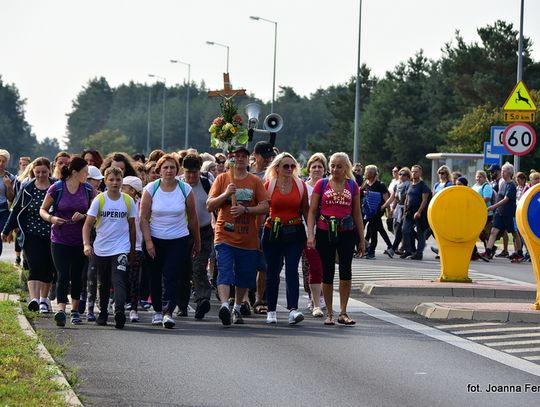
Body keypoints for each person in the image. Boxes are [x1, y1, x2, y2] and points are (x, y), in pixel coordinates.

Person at [207, 146, 269, 326]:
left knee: (244, 275)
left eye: (243, 156)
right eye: (236, 156)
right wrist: (226, 194)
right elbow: (209, 205)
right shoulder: (222, 179)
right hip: (224, 235)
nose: (240, 159)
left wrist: (246, 209)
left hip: (248, 238)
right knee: (225, 271)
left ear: (248, 159)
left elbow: (265, 206)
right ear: (230, 159)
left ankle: (237, 306)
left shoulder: (255, 181)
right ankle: (225, 305)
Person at [140, 154, 200, 329]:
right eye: (165, 167)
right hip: (155, 238)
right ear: (159, 170)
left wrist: (197, 241)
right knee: (155, 275)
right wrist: (148, 241)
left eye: (172, 167)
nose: (169, 171)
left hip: (178, 239)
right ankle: (157, 311)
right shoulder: (151, 189)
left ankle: (168, 312)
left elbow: (193, 218)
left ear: (177, 170)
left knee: (172, 275)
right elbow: (143, 218)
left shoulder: (185, 189)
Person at [307, 152, 365, 326]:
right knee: (328, 272)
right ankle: (330, 313)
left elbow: (357, 214)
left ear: (345, 167)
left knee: (346, 271)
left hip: (347, 232)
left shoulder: (353, 186)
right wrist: (311, 234)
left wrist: (361, 239)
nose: (335, 169)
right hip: (325, 232)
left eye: (339, 166)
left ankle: (343, 312)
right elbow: (312, 211)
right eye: (332, 165)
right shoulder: (322, 184)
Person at [39, 156, 95, 326]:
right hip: (59, 238)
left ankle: (75, 311)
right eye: (85, 172)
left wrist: (84, 215)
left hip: (80, 240)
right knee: (62, 274)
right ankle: (62, 310)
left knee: (77, 275)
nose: (87, 175)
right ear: (75, 172)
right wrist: (52, 219)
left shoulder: (87, 189)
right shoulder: (57, 188)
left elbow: (95, 212)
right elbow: (43, 209)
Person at [82, 167, 136, 329]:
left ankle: (119, 312)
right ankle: (103, 313)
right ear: (105, 181)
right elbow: (87, 225)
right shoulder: (100, 200)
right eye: (111, 179)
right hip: (101, 248)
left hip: (121, 248)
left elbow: (132, 227)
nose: (114, 183)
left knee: (119, 280)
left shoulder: (128, 200)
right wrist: (86, 244)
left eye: (118, 180)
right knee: (103, 283)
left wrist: (132, 250)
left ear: (122, 181)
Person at [2, 157, 54, 313]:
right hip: (30, 234)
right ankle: (34, 299)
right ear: (33, 172)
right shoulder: (27, 188)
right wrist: (6, 230)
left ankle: (44, 300)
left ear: (49, 170)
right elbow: (16, 210)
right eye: (37, 172)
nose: (40, 175)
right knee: (34, 266)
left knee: (48, 268)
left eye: (44, 172)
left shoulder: (55, 187)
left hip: (52, 235)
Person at [262, 153, 309, 324]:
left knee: (291, 270)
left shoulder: (300, 185)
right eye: (285, 166)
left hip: (294, 231)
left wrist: (311, 234)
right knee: (272, 271)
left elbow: (306, 210)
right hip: (272, 231)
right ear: (277, 168)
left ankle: (293, 310)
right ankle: (271, 310)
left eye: (292, 166)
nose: (289, 169)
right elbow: (262, 210)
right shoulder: (269, 185)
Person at [179, 154, 214, 320]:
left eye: (194, 172)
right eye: (188, 173)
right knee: (182, 270)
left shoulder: (207, 184)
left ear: (200, 171)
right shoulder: (177, 184)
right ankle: (182, 305)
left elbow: (215, 205)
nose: (191, 176)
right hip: (181, 233)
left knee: (199, 267)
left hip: (204, 231)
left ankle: (203, 299)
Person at [302, 153, 327, 316]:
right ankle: (312, 296)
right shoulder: (303, 187)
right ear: (309, 169)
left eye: (320, 166)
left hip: (324, 231)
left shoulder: (329, 186)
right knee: (308, 267)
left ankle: (321, 296)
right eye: (314, 166)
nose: (317, 169)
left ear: (325, 170)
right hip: (305, 231)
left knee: (323, 266)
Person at [482, 162, 523, 262]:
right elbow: (498, 196)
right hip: (500, 213)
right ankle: (488, 251)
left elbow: (506, 199)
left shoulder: (511, 185)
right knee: (493, 231)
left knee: (514, 233)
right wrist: (496, 208)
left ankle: (519, 253)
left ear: (508, 173)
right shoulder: (502, 183)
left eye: (503, 171)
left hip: (509, 214)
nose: (502, 173)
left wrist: (493, 207)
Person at [121, 176, 144, 322]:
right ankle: (120, 306)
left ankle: (134, 309)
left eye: (124, 187)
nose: (121, 189)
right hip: (120, 246)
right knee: (120, 279)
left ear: (133, 190)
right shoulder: (119, 203)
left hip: (137, 246)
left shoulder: (142, 204)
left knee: (134, 280)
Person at [401, 164, 430, 260]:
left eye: (416, 171)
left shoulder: (423, 185)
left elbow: (424, 200)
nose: (414, 173)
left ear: (420, 173)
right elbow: (406, 198)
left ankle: (419, 253)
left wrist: (419, 212)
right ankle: (408, 250)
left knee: (420, 233)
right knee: (405, 230)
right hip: (409, 211)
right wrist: (405, 209)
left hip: (419, 212)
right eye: (412, 171)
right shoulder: (409, 184)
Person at [361, 165, 390, 260]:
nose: (365, 173)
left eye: (366, 172)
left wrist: (387, 210)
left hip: (377, 212)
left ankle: (371, 252)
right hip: (367, 211)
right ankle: (365, 247)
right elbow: (360, 192)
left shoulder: (380, 185)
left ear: (372, 174)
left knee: (374, 231)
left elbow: (386, 199)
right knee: (360, 229)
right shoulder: (365, 183)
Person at [382, 167, 412, 258]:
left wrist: (405, 210)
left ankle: (393, 249)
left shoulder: (408, 185)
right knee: (403, 231)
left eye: (404, 174)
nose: (401, 176)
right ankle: (411, 249)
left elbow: (407, 198)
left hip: (405, 209)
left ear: (408, 176)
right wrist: (388, 207)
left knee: (400, 230)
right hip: (398, 209)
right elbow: (393, 198)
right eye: (400, 174)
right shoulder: (397, 185)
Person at [488, 163, 509, 257]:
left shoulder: (501, 181)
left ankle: (507, 250)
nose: (491, 174)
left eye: (492, 172)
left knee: (510, 231)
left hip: (501, 208)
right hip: (496, 208)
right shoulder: (494, 182)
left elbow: (502, 196)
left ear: (498, 172)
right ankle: (502, 249)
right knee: (501, 231)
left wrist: (496, 206)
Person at [472, 170, 494, 255]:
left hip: (486, 213)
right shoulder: (475, 185)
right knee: (480, 232)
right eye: (477, 176)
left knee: (483, 232)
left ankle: (489, 250)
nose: (478, 178)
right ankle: (489, 249)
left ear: (485, 178)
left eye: (480, 177)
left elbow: (487, 198)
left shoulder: (486, 186)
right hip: (477, 212)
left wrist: (477, 202)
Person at [0, 149, 16, 259]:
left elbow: (11, 198)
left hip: (2, 211)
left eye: (3, 161)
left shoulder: (10, 177)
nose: (1, 163)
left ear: (7, 162)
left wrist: (9, 186)